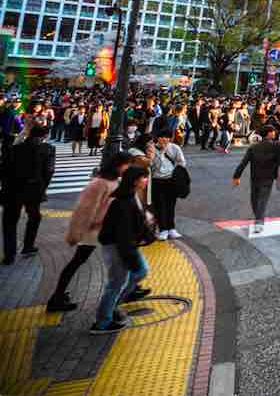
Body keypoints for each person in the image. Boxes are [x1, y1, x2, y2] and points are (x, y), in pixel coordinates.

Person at [46, 152, 132, 312]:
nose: (128, 168)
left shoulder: (114, 180)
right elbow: (84, 209)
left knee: (82, 261)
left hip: (106, 229)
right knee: (78, 261)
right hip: (95, 231)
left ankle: (57, 297)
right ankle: (56, 298)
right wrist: (76, 232)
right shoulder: (100, 183)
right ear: (118, 165)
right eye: (127, 164)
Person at [91, 167, 153, 334]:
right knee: (116, 283)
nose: (146, 181)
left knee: (140, 272)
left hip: (126, 245)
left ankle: (112, 308)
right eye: (144, 178)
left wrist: (146, 234)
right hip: (117, 246)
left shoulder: (131, 195)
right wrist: (130, 257)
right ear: (135, 181)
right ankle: (102, 322)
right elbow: (122, 233)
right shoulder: (122, 201)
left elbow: (137, 221)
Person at [1, 123, 55, 264]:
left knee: (10, 221)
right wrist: (42, 188)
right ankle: (28, 246)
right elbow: (49, 171)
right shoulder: (48, 149)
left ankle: (9, 255)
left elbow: (4, 169)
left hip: (12, 190)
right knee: (34, 216)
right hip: (34, 189)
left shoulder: (15, 148)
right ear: (44, 136)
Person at [231, 122, 280, 233]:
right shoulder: (276, 145)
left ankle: (258, 217)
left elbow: (243, 163)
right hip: (268, 177)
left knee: (255, 198)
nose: (275, 133)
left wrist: (236, 176)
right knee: (263, 199)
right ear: (269, 134)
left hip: (255, 176)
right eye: (273, 131)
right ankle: (258, 221)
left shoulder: (253, 147)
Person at [149, 128, 186, 241]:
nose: (165, 139)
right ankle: (163, 229)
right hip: (157, 180)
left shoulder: (174, 148)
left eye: (167, 137)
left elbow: (182, 162)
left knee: (171, 205)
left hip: (171, 180)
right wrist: (157, 154)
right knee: (160, 206)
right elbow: (150, 164)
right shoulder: (152, 149)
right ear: (158, 138)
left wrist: (177, 173)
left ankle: (171, 228)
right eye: (162, 137)